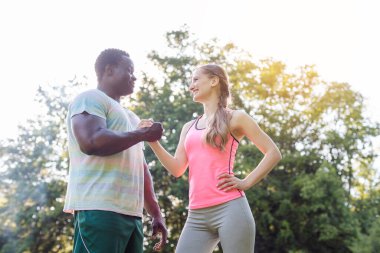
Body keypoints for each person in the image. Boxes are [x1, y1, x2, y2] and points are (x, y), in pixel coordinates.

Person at [140, 64, 282, 253]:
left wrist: (246, 182)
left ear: (214, 81)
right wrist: (153, 141)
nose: (191, 86)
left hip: (231, 209)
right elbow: (177, 169)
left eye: (196, 79)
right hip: (196, 215)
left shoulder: (236, 118)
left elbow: (273, 152)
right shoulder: (188, 127)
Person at [63, 48, 168, 253]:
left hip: (132, 214)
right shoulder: (90, 98)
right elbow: (91, 141)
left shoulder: (132, 117)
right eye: (129, 70)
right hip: (99, 209)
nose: (134, 76)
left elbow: (141, 167)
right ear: (109, 70)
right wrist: (143, 135)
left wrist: (156, 213)